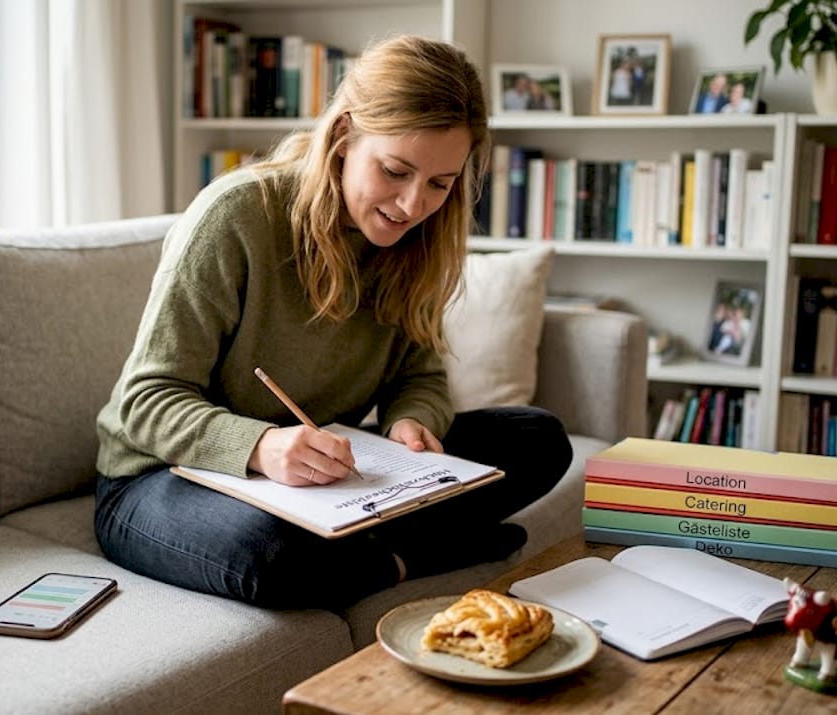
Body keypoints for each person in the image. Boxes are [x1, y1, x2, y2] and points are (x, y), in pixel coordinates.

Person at [92, 35, 572, 610]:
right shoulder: (237, 216)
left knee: (538, 439)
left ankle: (360, 553)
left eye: (440, 184)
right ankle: (415, 556)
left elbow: (419, 378)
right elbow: (145, 402)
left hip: (318, 478)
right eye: (395, 171)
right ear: (344, 137)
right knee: (269, 552)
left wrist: (410, 424)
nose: (413, 205)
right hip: (167, 477)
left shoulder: (411, 243)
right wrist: (261, 446)